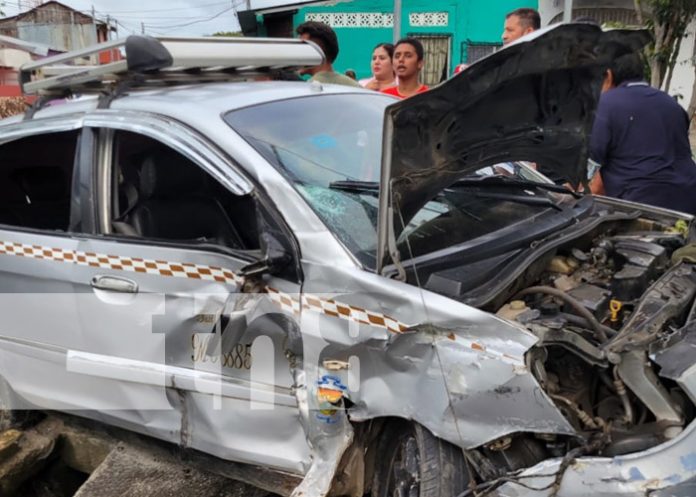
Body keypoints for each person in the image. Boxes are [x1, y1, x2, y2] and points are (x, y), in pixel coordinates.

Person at [589, 52, 696, 215]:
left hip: (641, 207)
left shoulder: (606, 105)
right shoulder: (672, 104)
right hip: (689, 201)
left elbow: (589, 174)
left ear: (609, 75)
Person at [296, 21, 361, 87]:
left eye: (301, 47)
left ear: (315, 51)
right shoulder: (356, 87)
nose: (297, 53)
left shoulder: (303, 90)